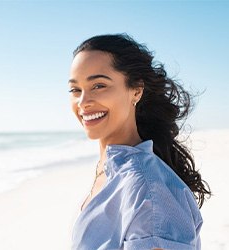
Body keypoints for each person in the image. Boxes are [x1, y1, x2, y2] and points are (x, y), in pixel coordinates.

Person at [68, 34, 211, 250]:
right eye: (75, 90)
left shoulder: (147, 190)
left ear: (136, 90)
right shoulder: (111, 168)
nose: (83, 102)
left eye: (99, 86)